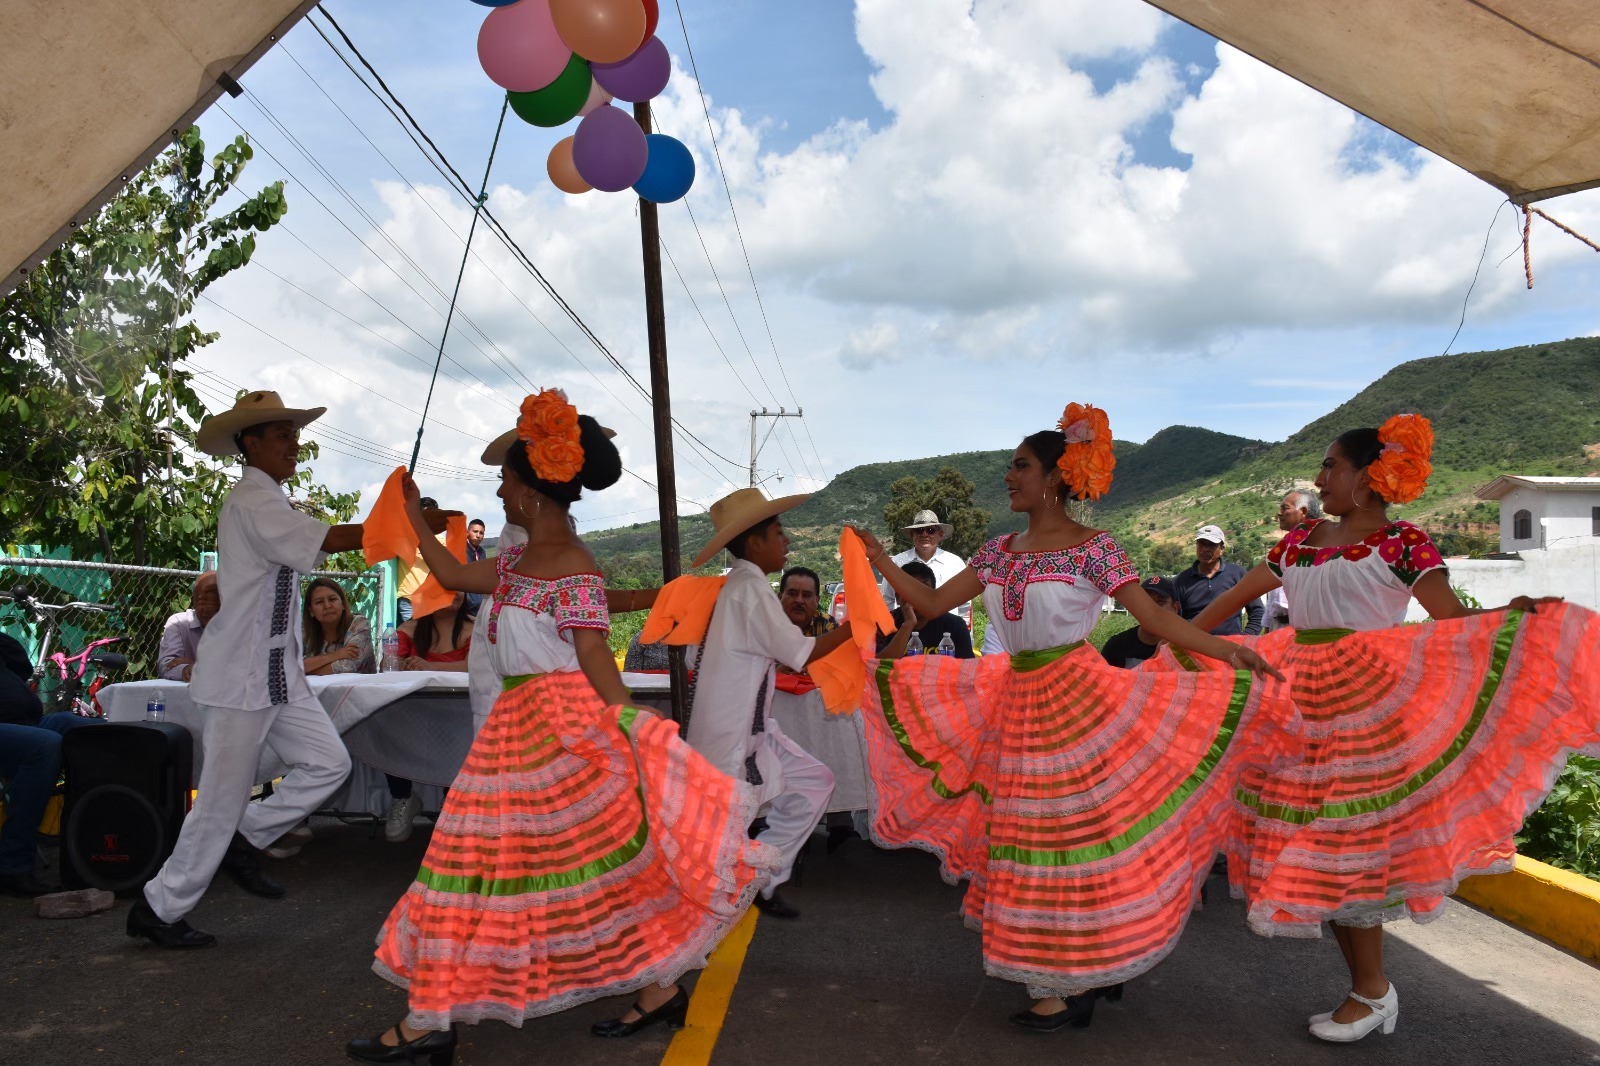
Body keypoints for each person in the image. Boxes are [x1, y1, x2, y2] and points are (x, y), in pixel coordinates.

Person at [351, 390, 776, 1063]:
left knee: (527, 865)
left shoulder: (577, 567)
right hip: (516, 728)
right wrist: (411, 515)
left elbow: (594, 655)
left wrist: (629, 720)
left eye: (504, 481)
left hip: (558, 730)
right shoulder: (512, 562)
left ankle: (433, 1019)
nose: (499, 490)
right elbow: (451, 571)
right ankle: (649, 990)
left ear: (527, 495)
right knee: (544, 867)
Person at [850, 401, 1287, 1032]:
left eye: (1020, 465)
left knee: (1073, 839)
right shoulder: (998, 551)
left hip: (1077, 701)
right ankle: (1066, 973)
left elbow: (1153, 617)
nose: (1009, 476)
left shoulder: (1093, 548)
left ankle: (1074, 975)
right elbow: (930, 601)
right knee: (1029, 839)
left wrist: (1228, 651)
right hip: (1018, 698)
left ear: (1056, 476)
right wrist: (880, 559)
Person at [1188, 415, 1599, 1043]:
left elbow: (1451, 620)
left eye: (1332, 465)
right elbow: (1219, 612)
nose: (1320, 478)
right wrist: (1181, 651)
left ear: (1367, 476)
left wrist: (1508, 616)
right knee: (1320, 853)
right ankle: (1371, 991)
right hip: (1297, 708)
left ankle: (1372, 990)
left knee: (1343, 851)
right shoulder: (1297, 543)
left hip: (1366, 712)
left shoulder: (1403, 542)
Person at [127, 391, 444, 951]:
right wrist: (408, 522)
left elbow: (323, 544)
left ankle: (244, 839)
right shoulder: (253, 500)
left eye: (294, 435)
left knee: (328, 764)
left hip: (276, 675)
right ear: (250, 444)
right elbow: (332, 540)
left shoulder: (269, 499)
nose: (294, 445)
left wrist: (403, 520)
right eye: (282, 436)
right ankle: (158, 908)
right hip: (239, 678)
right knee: (220, 801)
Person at [686, 488, 857, 920]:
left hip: (751, 730)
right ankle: (703, 917)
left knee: (814, 782)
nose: (786, 540)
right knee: (711, 852)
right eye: (779, 532)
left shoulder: (739, 587)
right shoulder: (749, 589)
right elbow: (801, 653)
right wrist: (856, 627)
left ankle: (761, 877)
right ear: (754, 541)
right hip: (732, 739)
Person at [0, 632, 94, 896]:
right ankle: (13, 866)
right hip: (14, 731)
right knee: (44, 746)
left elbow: (21, 665)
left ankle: (104, 849)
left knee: (90, 730)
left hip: (24, 722)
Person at [383, 592, 473, 843]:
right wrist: (405, 665)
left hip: (461, 714)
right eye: (444, 587)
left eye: (458, 587)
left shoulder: (476, 627)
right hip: (414, 712)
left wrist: (428, 666)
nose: (455, 592)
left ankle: (452, 801)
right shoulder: (408, 629)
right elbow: (389, 665)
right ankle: (403, 797)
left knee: (459, 738)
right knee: (386, 725)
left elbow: (475, 665)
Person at [1173, 525, 1263, 636]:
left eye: (1211, 545)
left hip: (1230, 645)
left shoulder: (1238, 574)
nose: (1205, 549)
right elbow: (1175, 618)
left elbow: (1257, 610)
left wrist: (1245, 638)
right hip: (1194, 644)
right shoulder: (1182, 580)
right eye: (1202, 544)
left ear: (1222, 549)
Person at [877, 560, 974, 659]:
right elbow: (877, 665)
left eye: (923, 590)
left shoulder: (955, 625)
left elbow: (968, 666)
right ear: (897, 597)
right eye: (910, 591)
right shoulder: (883, 625)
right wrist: (908, 625)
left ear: (933, 596)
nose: (917, 598)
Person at [880, 509, 967, 618]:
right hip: (907, 626)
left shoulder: (955, 563)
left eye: (931, 530)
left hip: (946, 627)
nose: (924, 534)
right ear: (912, 535)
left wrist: (951, 622)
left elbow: (964, 602)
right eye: (919, 530)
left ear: (940, 535)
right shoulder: (897, 563)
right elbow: (887, 599)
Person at [1262, 490, 1322, 632]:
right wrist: (1267, 625)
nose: (1279, 513)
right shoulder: (1285, 547)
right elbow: (1274, 592)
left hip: (1303, 628)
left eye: (1285, 508)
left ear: (1303, 512)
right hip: (1277, 626)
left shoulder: (1319, 549)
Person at [1097, 575, 1182, 668]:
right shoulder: (1116, 646)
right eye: (1145, 602)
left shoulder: (1182, 648)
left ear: (1175, 608)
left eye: (1160, 602)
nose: (1152, 609)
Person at [302, 577, 375, 676]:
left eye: (332, 599)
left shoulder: (359, 624)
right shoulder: (305, 630)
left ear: (343, 604)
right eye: (319, 602)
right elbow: (292, 664)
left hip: (358, 686)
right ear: (311, 611)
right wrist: (335, 655)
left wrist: (307, 669)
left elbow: (348, 666)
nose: (327, 606)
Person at [158, 571, 220, 681]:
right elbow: (166, 665)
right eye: (201, 602)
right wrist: (186, 669)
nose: (206, 610)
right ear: (194, 601)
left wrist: (198, 666)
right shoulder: (178, 623)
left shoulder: (239, 624)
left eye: (213, 605)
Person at [462, 518, 488, 618]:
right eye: (475, 531)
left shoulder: (482, 551)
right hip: (467, 604)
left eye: (481, 533)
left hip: (479, 600)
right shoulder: (461, 550)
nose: (478, 535)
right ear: (467, 532)